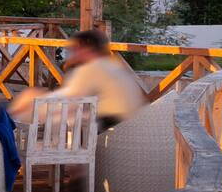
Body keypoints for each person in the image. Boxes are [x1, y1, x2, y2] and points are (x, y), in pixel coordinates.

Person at [12, 29, 147, 129]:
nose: (70, 51)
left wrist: (30, 103)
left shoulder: (91, 68)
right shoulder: (112, 65)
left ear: (84, 48)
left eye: (73, 48)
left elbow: (68, 98)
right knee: (71, 117)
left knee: (37, 110)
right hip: (132, 125)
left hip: (113, 126)